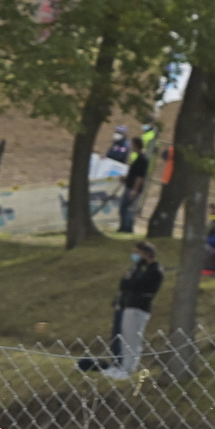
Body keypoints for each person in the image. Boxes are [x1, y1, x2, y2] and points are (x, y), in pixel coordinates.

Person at [79, 242, 163, 378]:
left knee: (132, 340)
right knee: (124, 338)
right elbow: (125, 283)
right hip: (128, 305)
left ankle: (128, 369)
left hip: (139, 308)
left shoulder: (154, 271)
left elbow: (136, 285)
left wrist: (131, 281)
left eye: (138, 252)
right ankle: (121, 366)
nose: (135, 255)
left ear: (146, 254)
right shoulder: (139, 269)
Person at [118, 140, 149, 233]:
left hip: (133, 188)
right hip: (130, 185)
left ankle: (127, 228)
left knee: (126, 207)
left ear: (136, 145)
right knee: (125, 207)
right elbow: (134, 174)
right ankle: (125, 227)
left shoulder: (142, 160)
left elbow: (140, 177)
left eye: (132, 145)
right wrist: (126, 178)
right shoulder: (138, 158)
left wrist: (134, 190)